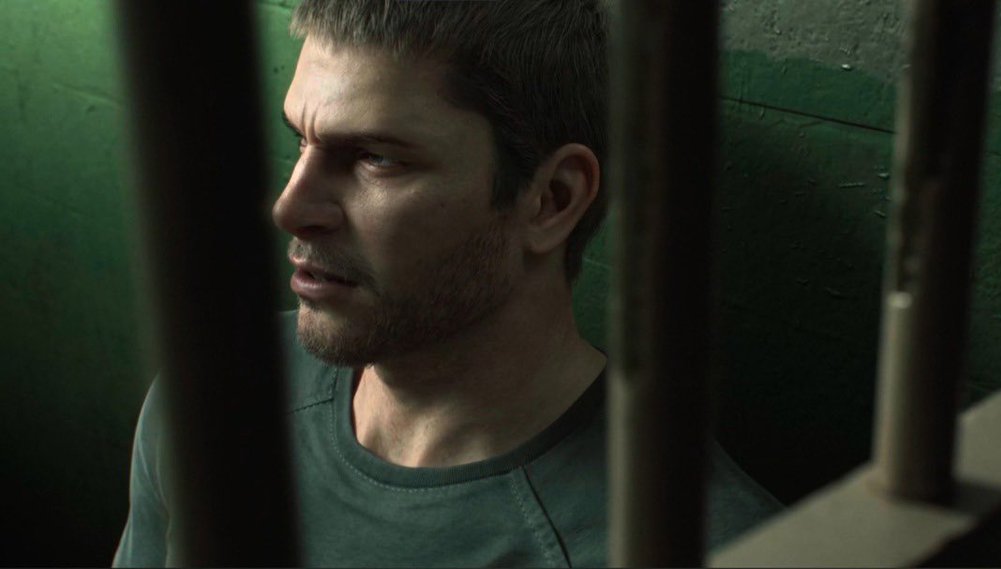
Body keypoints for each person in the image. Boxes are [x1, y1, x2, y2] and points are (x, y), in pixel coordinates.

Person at [113, 0, 781, 566]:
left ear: (551, 199)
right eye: (302, 142)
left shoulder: (694, 543)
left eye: (375, 158)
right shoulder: (215, 392)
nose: (292, 207)